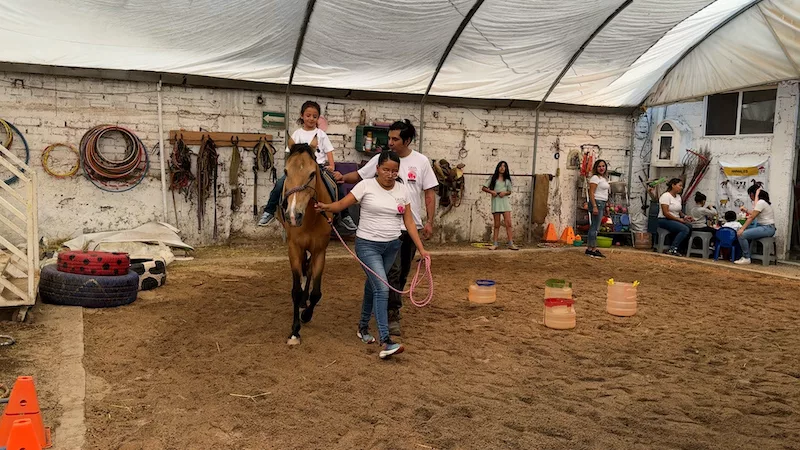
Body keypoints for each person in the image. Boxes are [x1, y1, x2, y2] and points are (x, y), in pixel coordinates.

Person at [316, 150, 429, 359]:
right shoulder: (365, 186)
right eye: (386, 169)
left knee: (372, 286)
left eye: (394, 171)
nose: (390, 174)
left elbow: (409, 222)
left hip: (392, 246)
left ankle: (363, 327)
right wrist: (325, 207)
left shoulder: (402, 191)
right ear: (377, 169)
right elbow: (342, 204)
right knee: (382, 288)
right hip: (368, 246)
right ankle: (386, 340)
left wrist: (421, 248)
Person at [334, 119, 437, 336]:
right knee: (392, 272)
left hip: (410, 226)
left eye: (395, 139)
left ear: (407, 140)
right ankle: (391, 316)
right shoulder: (381, 159)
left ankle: (377, 312)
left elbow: (429, 192)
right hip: (386, 229)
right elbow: (361, 175)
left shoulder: (421, 162)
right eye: (389, 138)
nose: (390, 142)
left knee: (401, 274)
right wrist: (342, 178)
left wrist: (429, 221)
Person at [257, 101, 357, 231]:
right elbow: (290, 155)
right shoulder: (297, 134)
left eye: (314, 116)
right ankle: (269, 211)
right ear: (302, 116)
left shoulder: (321, 134)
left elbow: (329, 151)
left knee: (337, 184)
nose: (311, 118)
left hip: (319, 168)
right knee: (280, 184)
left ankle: (344, 216)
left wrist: (331, 166)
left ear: (318, 118)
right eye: (308, 115)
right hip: (298, 171)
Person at [481, 161, 518, 250]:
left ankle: (510, 243)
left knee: (508, 223)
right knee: (497, 224)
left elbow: (509, 191)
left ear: (506, 169)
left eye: (504, 166)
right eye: (500, 166)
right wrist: (492, 192)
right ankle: (495, 243)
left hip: (505, 203)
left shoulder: (507, 180)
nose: (502, 168)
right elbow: (484, 188)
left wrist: (505, 193)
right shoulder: (492, 178)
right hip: (496, 202)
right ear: (498, 167)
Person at [734, 185, 775, 265]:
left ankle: (746, 257)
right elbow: (754, 213)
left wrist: (742, 229)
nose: (750, 197)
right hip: (767, 228)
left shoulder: (761, 202)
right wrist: (746, 210)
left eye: (750, 194)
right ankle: (745, 256)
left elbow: (752, 217)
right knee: (744, 233)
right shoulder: (763, 202)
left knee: (741, 235)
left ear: (753, 194)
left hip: (767, 228)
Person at [657, 178, 694, 256]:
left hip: (675, 219)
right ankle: (673, 249)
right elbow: (666, 213)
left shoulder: (678, 197)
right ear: (673, 185)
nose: (681, 187)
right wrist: (679, 220)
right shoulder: (666, 196)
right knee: (684, 229)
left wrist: (685, 217)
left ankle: (681, 248)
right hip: (664, 219)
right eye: (680, 185)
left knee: (689, 226)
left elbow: (678, 211)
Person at [586, 159, 610, 258]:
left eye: (603, 166)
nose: (601, 168)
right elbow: (591, 192)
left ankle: (591, 248)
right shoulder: (595, 178)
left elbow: (605, 193)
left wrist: (607, 205)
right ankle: (592, 248)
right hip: (597, 203)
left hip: (602, 203)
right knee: (595, 227)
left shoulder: (603, 178)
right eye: (599, 166)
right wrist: (595, 206)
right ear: (596, 168)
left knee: (596, 226)